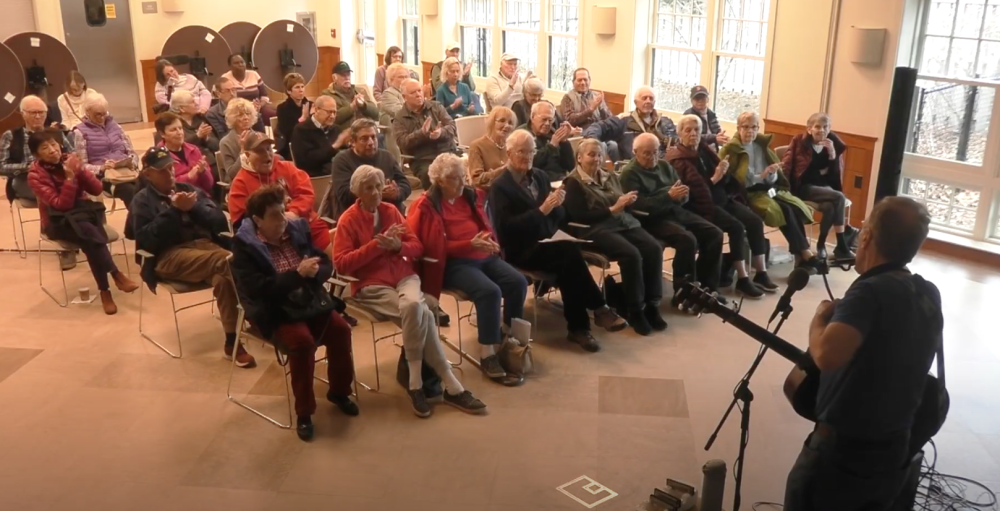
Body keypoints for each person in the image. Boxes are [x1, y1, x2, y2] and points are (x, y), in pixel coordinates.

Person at [783, 197, 941, 511]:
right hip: (896, 446)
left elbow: (827, 356)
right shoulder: (928, 292)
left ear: (866, 236)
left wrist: (820, 319)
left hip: (844, 454)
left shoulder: (869, 292)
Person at [333, 166, 487, 418]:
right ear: (357, 192)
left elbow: (416, 246)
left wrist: (397, 246)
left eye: (378, 186)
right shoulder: (348, 220)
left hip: (405, 278)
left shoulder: (391, 211)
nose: (376, 192)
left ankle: (416, 384)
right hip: (372, 286)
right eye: (369, 188)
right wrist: (375, 246)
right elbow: (341, 264)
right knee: (420, 311)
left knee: (416, 307)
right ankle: (449, 384)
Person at [232, 185, 358, 441]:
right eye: (274, 215)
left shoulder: (295, 230)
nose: (283, 219)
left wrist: (314, 273)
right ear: (257, 220)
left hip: (307, 299)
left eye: (283, 211)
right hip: (273, 308)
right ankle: (304, 412)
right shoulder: (244, 246)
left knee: (341, 330)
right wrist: (297, 275)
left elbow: (323, 262)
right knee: (302, 343)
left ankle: (339, 392)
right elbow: (258, 290)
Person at [488, 130, 627, 352]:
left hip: (549, 242)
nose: (528, 156)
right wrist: (542, 211)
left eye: (531, 151)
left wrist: (558, 206)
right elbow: (505, 229)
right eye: (522, 151)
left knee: (568, 265)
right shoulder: (500, 187)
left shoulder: (540, 177)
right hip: (520, 249)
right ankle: (598, 309)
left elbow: (559, 217)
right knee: (568, 254)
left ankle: (580, 328)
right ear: (509, 153)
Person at [128, 146, 254, 368]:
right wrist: (175, 211)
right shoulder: (142, 200)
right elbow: (146, 240)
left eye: (171, 168)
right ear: (148, 174)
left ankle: (232, 342)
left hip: (203, 247)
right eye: (162, 171)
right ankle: (259, 315)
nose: (170, 174)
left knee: (224, 277)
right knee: (229, 261)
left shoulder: (188, 189)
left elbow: (219, 220)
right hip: (168, 255)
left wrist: (193, 208)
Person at [407, 154, 528, 380]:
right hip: (453, 264)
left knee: (518, 282)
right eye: (455, 178)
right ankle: (487, 353)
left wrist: (490, 241)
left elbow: (485, 224)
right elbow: (425, 247)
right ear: (439, 181)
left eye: (464, 176)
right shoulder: (425, 205)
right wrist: (468, 244)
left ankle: (508, 338)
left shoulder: (471, 196)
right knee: (490, 291)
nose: (463, 182)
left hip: (484, 256)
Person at [27, 128, 138, 314]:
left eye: (53, 144)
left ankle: (106, 290)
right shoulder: (35, 175)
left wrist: (80, 170)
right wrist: (70, 178)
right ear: (37, 154)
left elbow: (96, 189)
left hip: (83, 212)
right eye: (45, 148)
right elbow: (60, 205)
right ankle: (115, 276)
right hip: (57, 220)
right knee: (90, 235)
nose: (52, 150)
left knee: (90, 239)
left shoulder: (70, 161)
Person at [563, 139, 666, 335]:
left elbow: (620, 202)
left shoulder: (609, 175)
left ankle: (652, 304)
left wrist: (628, 202)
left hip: (622, 223)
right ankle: (635, 310)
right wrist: (612, 209)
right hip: (594, 229)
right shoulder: (573, 182)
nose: (597, 159)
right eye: (591, 154)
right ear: (579, 157)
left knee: (653, 248)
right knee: (631, 254)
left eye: (600, 154)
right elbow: (578, 216)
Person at [667, 115, 771, 298]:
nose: (693, 134)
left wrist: (724, 172)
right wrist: (715, 177)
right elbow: (692, 193)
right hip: (701, 205)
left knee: (754, 221)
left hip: (721, 198)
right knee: (736, 227)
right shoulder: (677, 159)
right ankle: (743, 278)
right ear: (679, 133)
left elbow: (725, 178)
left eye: (697, 130)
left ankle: (761, 273)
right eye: (688, 130)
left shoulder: (703, 149)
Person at [620, 133, 724, 303]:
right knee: (687, 239)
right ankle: (684, 292)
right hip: (651, 219)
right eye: (647, 153)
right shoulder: (629, 173)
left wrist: (678, 196)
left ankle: (708, 287)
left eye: (656, 152)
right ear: (635, 152)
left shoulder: (664, 165)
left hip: (675, 210)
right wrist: (667, 196)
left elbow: (682, 192)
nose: (653, 157)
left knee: (715, 234)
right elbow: (639, 205)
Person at [720, 111, 821, 272]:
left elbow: (773, 178)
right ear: (738, 128)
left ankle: (800, 257)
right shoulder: (730, 150)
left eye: (754, 127)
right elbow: (733, 181)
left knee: (794, 208)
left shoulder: (761, 147)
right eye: (746, 127)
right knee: (784, 210)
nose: (750, 131)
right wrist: (761, 176)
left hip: (769, 189)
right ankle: (805, 253)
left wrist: (771, 174)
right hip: (747, 193)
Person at [228, 132, 333, 259]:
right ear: (247, 155)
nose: (267, 154)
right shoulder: (240, 183)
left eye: (269, 149)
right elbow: (242, 222)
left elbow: (306, 194)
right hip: (272, 241)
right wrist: (276, 217)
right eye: (260, 151)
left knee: (336, 261)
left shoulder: (287, 167)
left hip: (308, 225)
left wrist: (294, 212)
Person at [783, 113, 858, 260]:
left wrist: (832, 155)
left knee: (830, 207)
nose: (822, 130)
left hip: (824, 187)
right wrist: (786, 189)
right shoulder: (799, 141)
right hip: (803, 186)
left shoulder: (834, 144)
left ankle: (821, 244)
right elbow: (787, 165)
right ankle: (842, 245)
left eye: (826, 127)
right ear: (809, 129)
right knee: (839, 197)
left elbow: (834, 177)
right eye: (817, 127)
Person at [330, 118, 411, 219]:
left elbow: (406, 185)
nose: (371, 142)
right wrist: (376, 193)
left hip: (390, 216)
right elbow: (344, 195)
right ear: (352, 142)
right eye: (364, 139)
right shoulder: (342, 160)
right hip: (358, 217)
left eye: (373, 137)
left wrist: (396, 192)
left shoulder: (387, 156)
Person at [72, 93, 140, 209]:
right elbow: (81, 166)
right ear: (87, 112)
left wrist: (131, 162)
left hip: (126, 171)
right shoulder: (80, 132)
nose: (102, 118)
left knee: (147, 185)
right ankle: (139, 219)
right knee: (130, 191)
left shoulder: (116, 126)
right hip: (104, 177)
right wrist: (101, 168)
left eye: (104, 113)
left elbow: (132, 152)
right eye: (97, 114)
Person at [2, 96, 73, 204]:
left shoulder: (55, 133)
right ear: (23, 114)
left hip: (56, 177)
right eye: (33, 113)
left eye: (41, 112)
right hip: (25, 180)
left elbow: (72, 154)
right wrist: (28, 167)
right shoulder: (11, 136)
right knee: (56, 193)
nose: (38, 116)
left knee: (79, 187)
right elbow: (1, 166)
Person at [393, 78, 457, 189]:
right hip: (422, 159)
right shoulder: (400, 118)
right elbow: (403, 143)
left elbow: (452, 127)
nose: (418, 95)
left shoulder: (436, 107)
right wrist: (422, 133)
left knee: (460, 171)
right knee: (431, 177)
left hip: (447, 152)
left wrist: (440, 133)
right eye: (413, 92)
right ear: (404, 97)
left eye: (419, 90)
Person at [290, 95, 351, 177]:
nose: (332, 116)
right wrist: (334, 147)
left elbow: (344, 152)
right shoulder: (301, 130)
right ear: (316, 109)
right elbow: (306, 162)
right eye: (329, 112)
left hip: (336, 172)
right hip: (315, 176)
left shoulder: (335, 129)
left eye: (334, 112)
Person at [155, 112, 214, 195]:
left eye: (180, 128)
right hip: (177, 199)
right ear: (162, 134)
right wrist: (188, 177)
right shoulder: (159, 156)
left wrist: (203, 172)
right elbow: (164, 187)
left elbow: (209, 185)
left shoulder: (194, 150)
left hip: (201, 196)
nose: (179, 132)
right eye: (173, 130)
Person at [520, 101, 574, 183]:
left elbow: (570, 166)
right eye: (544, 119)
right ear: (533, 117)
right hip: (536, 181)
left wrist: (564, 142)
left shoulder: (553, 133)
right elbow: (531, 163)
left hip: (560, 179)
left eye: (550, 120)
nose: (547, 123)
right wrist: (551, 146)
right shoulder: (522, 135)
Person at [170, 90, 220, 175]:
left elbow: (217, 144)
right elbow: (177, 147)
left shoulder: (201, 119)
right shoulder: (174, 124)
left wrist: (206, 138)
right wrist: (197, 136)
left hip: (211, 162)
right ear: (182, 109)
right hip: (188, 166)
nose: (197, 104)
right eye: (192, 102)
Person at [467, 106, 516, 190]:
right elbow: (477, 180)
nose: (507, 125)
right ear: (492, 122)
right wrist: (503, 169)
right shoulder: (477, 146)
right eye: (502, 121)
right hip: (490, 193)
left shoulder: (513, 145)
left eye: (510, 123)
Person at [321, 61, 379, 131]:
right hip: (345, 133)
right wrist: (351, 107)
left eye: (348, 75)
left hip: (367, 131)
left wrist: (363, 105)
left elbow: (376, 114)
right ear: (334, 78)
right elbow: (333, 118)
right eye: (343, 75)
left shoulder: (360, 90)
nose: (347, 78)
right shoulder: (328, 94)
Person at [220, 53, 275, 124]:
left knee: (275, 116)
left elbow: (264, 96)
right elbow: (223, 99)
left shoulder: (254, 74)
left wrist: (260, 105)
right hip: (236, 110)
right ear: (230, 66)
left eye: (242, 62)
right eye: (236, 63)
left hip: (257, 108)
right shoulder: (225, 78)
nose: (240, 64)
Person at [218, 98, 259, 183]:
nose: (246, 118)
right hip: (240, 183)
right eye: (240, 115)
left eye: (248, 114)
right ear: (233, 118)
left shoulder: (259, 136)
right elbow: (232, 174)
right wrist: (243, 150)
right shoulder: (225, 142)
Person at [275, 73, 312, 161]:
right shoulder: (282, 108)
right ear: (289, 91)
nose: (301, 90)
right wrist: (302, 119)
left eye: (302, 86)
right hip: (293, 146)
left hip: (311, 142)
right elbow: (288, 133)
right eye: (297, 87)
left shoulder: (311, 105)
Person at [682, 86, 728, 151]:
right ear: (691, 101)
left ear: (707, 99)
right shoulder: (688, 116)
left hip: (713, 151)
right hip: (697, 151)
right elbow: (693, 137)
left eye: (703, 98)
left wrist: (722, 137)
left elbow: (717, 130)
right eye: (697, 98)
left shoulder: (711, 114)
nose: (700, 101)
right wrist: (714, 138)